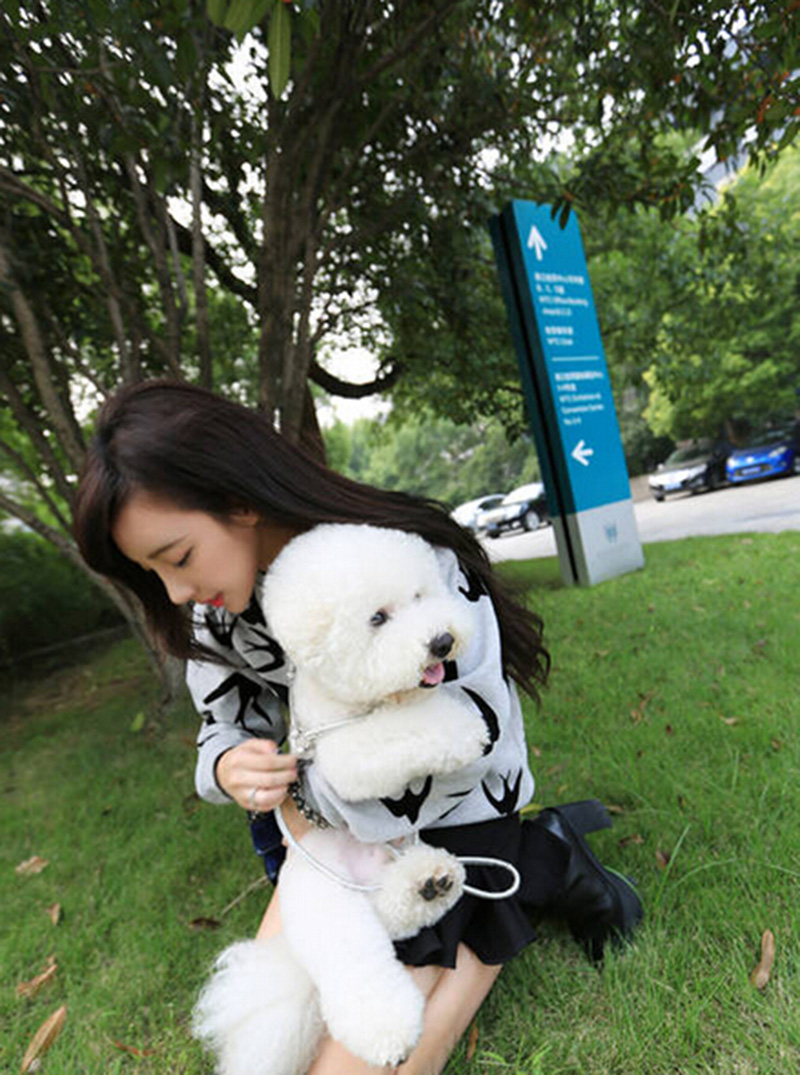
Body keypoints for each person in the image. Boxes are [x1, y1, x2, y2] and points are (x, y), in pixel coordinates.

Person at [74, 379, 642, 1075]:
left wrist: (312, 794)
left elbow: (473, 735)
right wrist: (228, 765)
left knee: (375, 1060)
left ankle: (533, 861)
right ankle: (537, 862)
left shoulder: (402, 561)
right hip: (333, 842)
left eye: (179, 557)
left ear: (238, 500)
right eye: (152, 572)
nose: (176, 592)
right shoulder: (217, 618)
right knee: (266, 1038)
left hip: (453, 822)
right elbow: (223, 722)